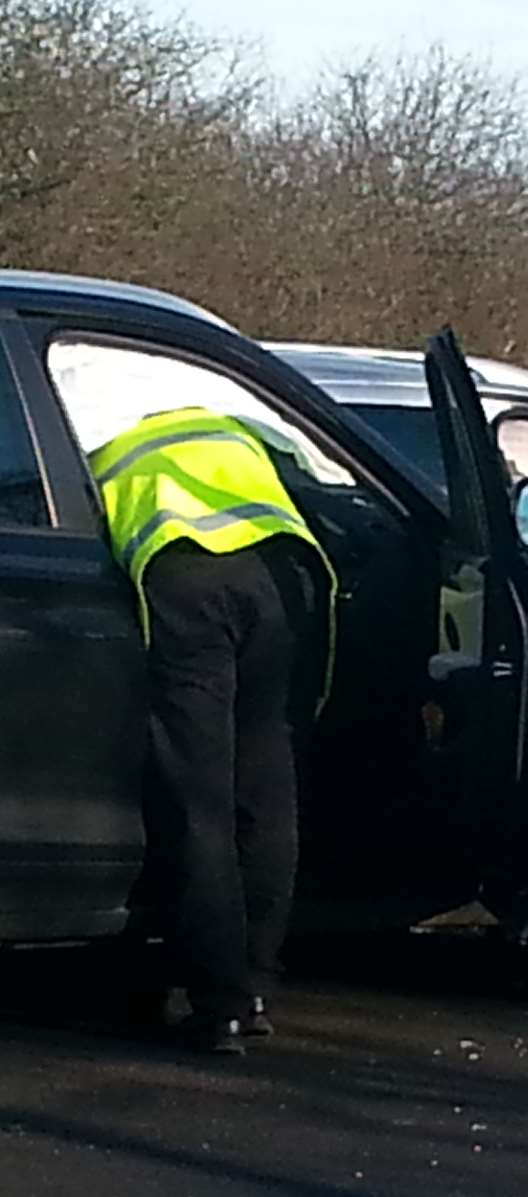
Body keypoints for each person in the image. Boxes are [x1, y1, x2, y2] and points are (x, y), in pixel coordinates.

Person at [90, 406, 332, 1054]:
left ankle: (217, 1000)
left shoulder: (106, 452)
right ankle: (255, 984)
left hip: (189, 581)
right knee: (265, 785)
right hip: (283, 577)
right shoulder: (228, 430)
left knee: (199, 796)